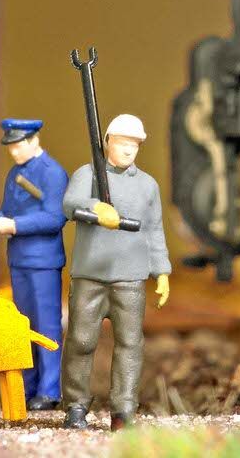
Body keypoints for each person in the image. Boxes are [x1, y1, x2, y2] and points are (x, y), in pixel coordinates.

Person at [61, 114, 171, 431]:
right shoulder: (88, 175)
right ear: (108, 142)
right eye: (122, 143)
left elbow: (154, 230)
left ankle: (123, 411)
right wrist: (96, 208)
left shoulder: (147, 185)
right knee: (80, 341)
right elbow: (69, 205)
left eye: (134, 145)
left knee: (130, 345)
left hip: (130, 277)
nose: (128, 150)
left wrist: (161, 271)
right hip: (90, 275)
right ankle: (75, 406)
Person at [0, 119, 67, 410]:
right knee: (21, 325)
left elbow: (54, 218)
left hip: (43, 261)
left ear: (34, 140)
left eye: (18, 146)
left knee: (46, 326)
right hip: (19, 259)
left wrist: (13, 225)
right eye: (11, 147)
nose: (13, 152)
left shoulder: (53, 173)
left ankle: (49, 390)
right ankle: (26, 386)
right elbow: (9, 210)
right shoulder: (15, 173)